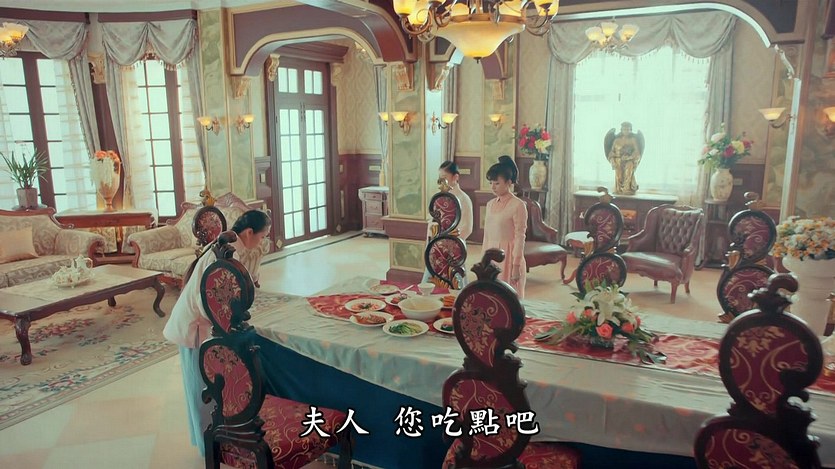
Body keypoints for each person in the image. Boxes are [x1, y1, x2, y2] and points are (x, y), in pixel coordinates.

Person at [162, 209, 271, 456]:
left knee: (211, 386)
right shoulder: (224, 252)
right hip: (195, 325)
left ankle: (217, 441)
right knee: (201, 390)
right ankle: (207, 448)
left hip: (204, 323)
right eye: (262, 236)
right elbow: (208, 298)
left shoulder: (231, 246)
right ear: (249, 232)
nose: (262, 242)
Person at [482, 155, 528, 298]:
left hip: (508, 256)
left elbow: (520, 236)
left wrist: (516, 265)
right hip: (491, 254)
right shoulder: (490, 204)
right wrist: (483, 261)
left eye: (497, 183)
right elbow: (487, 236)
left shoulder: (518, 205)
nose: (493, 187)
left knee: (509, 298)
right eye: (491, 183)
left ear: (508, 183)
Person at [422, 161, 473, 288]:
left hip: (453, 248)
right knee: (431, 278)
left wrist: (451, 244)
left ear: (456, 177)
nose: (441, 181)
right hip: (436, 245)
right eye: (440, 178)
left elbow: (467, 228)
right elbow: (432, 221)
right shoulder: (438, 198)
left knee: (454, 282)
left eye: (444, 177)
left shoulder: (464, 199)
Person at [604, 122, 645, 195]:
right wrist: (612, 160)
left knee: (628, 172)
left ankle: (627, 189)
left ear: (631, 130)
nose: (626, 131)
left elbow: (637, 152)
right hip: (618, 160)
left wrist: (629, 157)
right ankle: (619, 189)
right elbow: (611, 152)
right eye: (624, 129)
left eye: (628, 129)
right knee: (619, 175)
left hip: (629, 161)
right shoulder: (616, 140)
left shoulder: (633, 140)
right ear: (621, 130)